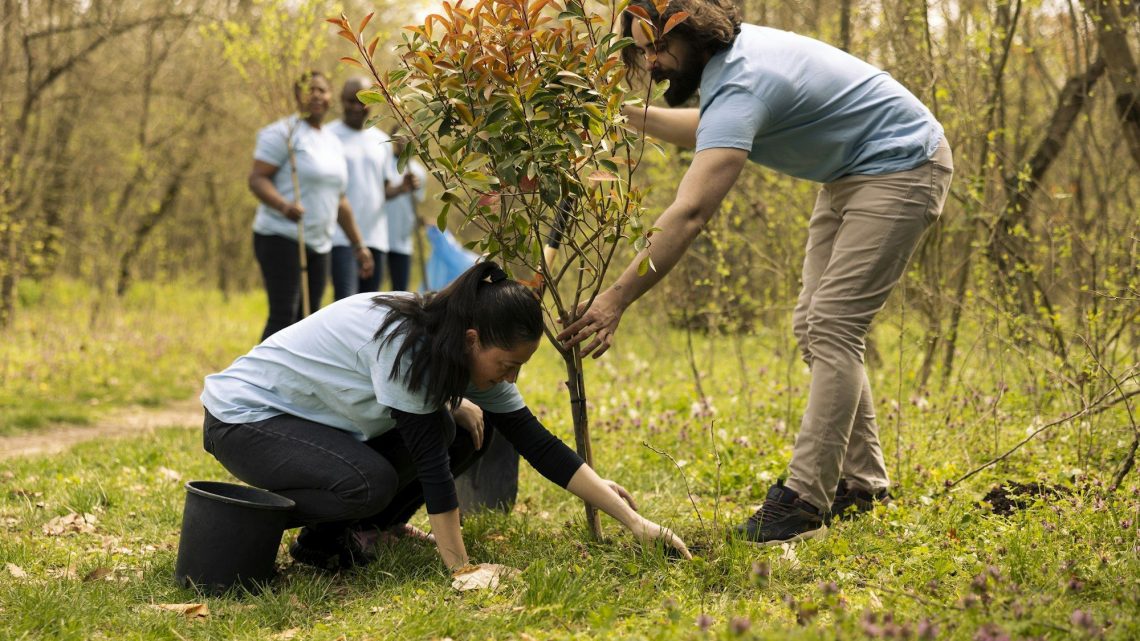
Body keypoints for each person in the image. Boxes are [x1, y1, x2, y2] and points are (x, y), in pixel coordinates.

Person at [559, 0, 953, 546]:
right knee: (814, 326)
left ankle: (804, 498)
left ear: (694, 32)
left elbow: (691, 212)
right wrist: (623, 114)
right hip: (853, 172)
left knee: (834, 326)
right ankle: (863, 487)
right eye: (643, 49)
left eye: (660, 46)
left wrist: (616, 297)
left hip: (902, 163)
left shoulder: (742, 80)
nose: (652, 63)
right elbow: (711, 126)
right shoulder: (730, 67)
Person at [200, 261, 691, 571]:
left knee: (462, 429)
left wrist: (633, 521)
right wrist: (461, 569)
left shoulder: (454, 341)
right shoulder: (405, 346)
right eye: (508, 366)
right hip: (245, 418)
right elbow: (433, 471)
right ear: (473, 339)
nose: (511, 379)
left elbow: (538, 443)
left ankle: (368, 530)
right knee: (369, 482)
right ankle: (261, 524)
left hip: (309, 424)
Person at [248, 71, 375, 341]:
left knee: (308, 320)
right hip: (281, 237)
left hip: (319, 243)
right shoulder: (283, 133)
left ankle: (295, 382)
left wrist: (358, 245)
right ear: (297, 96)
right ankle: (256, 380)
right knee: (284, 316)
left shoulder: (331, 141)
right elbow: (257, 179)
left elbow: (339, 199)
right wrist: (283, 205)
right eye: (309, 90)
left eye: (322, 90)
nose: (316, 95)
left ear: (331, 98)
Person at [328, 78, 402, 300]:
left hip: (376, 237)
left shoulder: (382, 141)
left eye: (362, 101)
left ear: (372, 102)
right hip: (341, 238)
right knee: (345, 304)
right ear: (341, 101)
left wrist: (402, 188)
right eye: (351, 101)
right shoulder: (328, 135)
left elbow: (384, 190)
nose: (356, 107)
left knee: (370, 308)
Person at [382, 131, 427, 291]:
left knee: (399, 290)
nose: (403, 140)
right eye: (399, 136)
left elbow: (417, 202)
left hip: (402, 239)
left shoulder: (418, 172)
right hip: (379, 237)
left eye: (408, 137)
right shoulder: (384, 164)